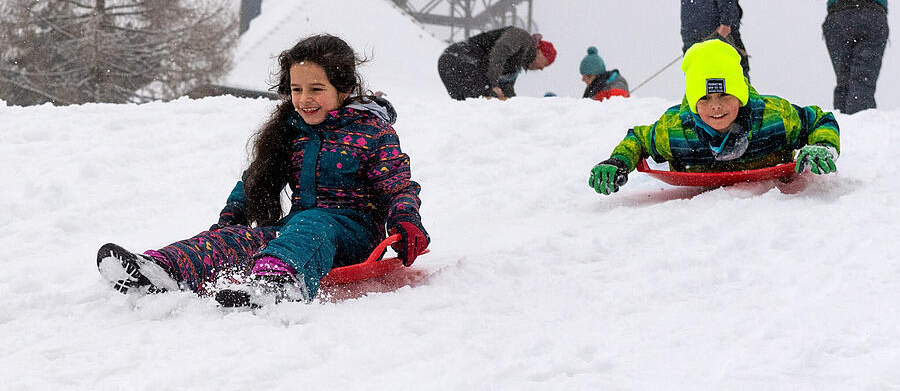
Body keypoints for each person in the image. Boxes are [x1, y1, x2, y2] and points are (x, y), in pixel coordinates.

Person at [96, 34, 429, 307]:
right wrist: (230, 221)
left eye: (316, 90)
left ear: (342, 89)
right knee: (241, 239)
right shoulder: (292, 130)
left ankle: (279, 285)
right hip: (296, 231)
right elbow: (254, 181)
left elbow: (396, 186)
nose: (304, 100)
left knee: (313, 223)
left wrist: (406, 220)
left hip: (352, 236)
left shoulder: (373, 133)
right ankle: (163, 271)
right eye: (297, 90)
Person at [588, 40, 840, 194]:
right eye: (705, 99)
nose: (716, 107)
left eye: (725, 96)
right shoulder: (676, 130)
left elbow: (818, 119)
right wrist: (618, 161)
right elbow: (639, 139)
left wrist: (822, 145)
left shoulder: (774, 118)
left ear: (741, 95)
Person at [437, 26, 556, 100]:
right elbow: (500, 50)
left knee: (472, 106)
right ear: (540, 52)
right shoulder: (522, 37)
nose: (541, 68)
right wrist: (492, 85)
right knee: (487, 98)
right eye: (545, 63)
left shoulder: (513, 68)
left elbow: (506, 91)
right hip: (461, 58)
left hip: (449, 63)